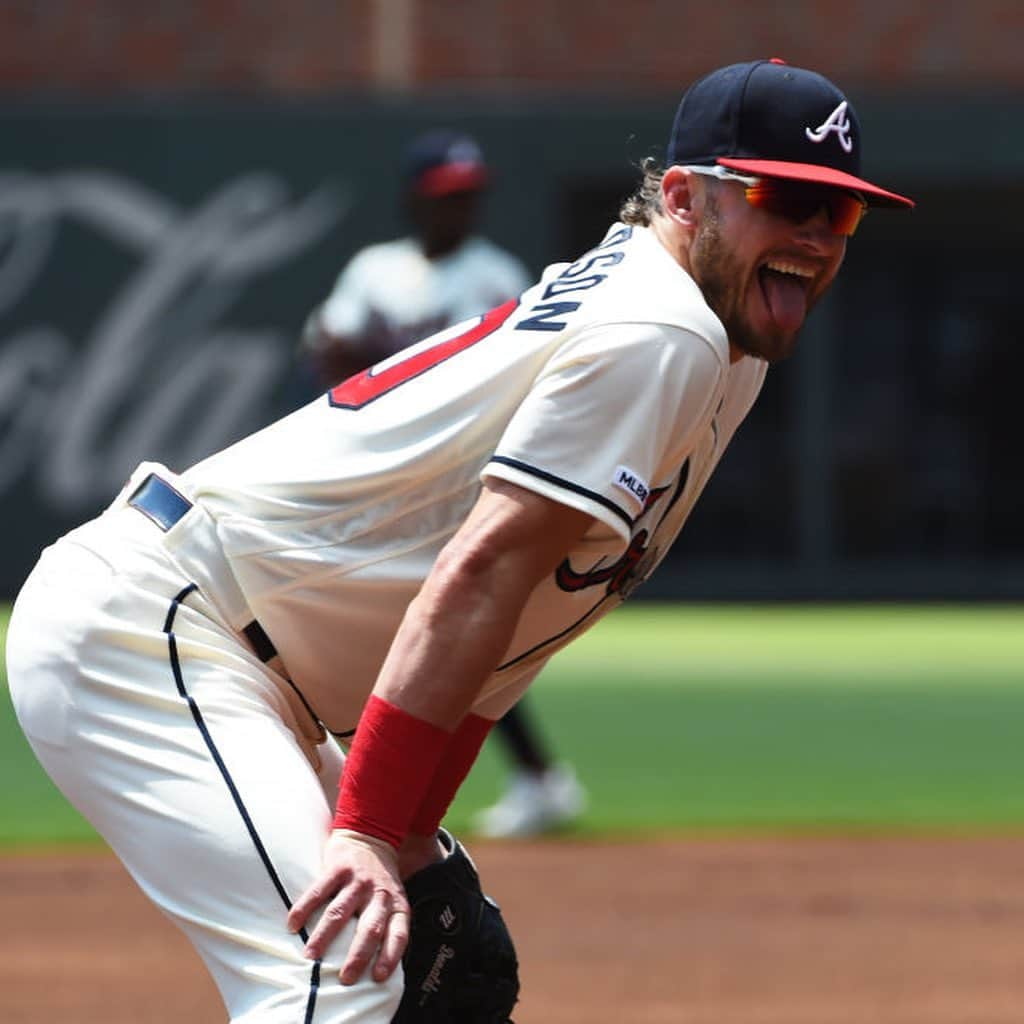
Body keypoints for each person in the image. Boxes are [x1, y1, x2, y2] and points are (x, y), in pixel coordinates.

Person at [6, 58, 912, 1024]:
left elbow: (526, 621)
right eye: (785, 198)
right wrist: (362, 827)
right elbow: (483, 568)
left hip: (222, 642)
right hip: (158, 631)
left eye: (840, 212)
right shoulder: (666, 330)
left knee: (432, 975)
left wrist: (404, 831)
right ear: (684, 197)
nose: (815, 235)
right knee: (339, 976)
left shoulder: (722, 350)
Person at [301, 128, 587, 839]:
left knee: (446, 627)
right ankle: (535, 779)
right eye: (445, 196)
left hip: (465, 479)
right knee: (424, 628)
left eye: (468, 196)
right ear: (415, 201)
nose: (459, 210)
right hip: (391, 477)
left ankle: (518, 781)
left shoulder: (497, 275)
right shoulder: (376, 271)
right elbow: (329, 349)